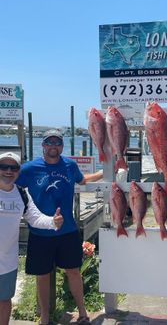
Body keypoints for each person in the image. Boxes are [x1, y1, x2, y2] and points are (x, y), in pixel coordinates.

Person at [16, 130, 103, 325]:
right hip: (40, 232)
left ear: (62, 146)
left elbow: (83, 180)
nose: (53, 146)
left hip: (68, 230)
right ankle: (45, 316)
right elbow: (10, 184)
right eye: (49, 142)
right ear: (43, 146)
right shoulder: (30, 168)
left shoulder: (70, 166)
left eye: (57, 142)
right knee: (42, 275)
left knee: (73, 271)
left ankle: (82, 311)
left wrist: (106, 171)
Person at [0, 152, 63, 325]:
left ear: (19, 171)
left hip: (7, 262)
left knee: (4, 301)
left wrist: (53, 221)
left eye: (13, 167)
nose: (8, 171)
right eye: (3, 166)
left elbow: (35, 218)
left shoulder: (22, 195)